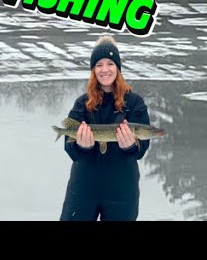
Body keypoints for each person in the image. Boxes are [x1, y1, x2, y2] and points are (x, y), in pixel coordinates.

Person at [59, 35, 151, 221]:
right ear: (93, 70)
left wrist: (131, 146)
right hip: (83, 188)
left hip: (122, 189)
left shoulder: (134, 103)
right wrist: (81, 146)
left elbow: (141, 150)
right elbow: (70, 149)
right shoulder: (82, 103)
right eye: (99, 64)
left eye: (110, 63)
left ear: (118, 67)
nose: (105, 69)